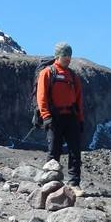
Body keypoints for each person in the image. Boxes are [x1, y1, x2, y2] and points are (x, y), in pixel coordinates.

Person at [37, 42, 84, 195]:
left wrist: (80, 118)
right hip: (54, 117)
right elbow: (41, 96)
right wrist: (46, 116)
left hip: (71, 117)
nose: (68, 59)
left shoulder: (73, 75)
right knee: (54, 151)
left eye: (69, 56)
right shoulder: (47, 72)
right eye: (65, 56)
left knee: (75, 151)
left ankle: (74, 183)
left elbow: (79, 99)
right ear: (58, 56)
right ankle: (51, 183)